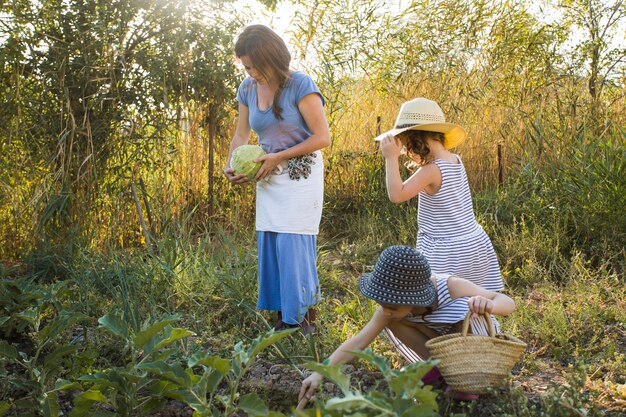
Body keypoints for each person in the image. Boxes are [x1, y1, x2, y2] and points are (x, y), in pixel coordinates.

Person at [298, 245, 516, 404]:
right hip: (439, 345)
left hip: (473, 344)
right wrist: (320, 373)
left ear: (413, 298)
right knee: (393, 322)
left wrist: (487, 304)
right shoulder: (388, 310)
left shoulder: (451, 287)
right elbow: (358, 342)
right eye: (382, 303)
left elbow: (508, 303)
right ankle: (442, 370)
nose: (386, 309)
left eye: (392, 305)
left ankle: (468, 376)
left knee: (466, 311)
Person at [374, 98, 505, 361]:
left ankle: (441, 360)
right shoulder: (455, 160)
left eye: (406, 142)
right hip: (474, 243)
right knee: (474, 305)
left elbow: (396, 195)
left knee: (432, 309)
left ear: (415, 139)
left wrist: (390, 158)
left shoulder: (431, 170)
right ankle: (482, 352)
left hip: (445, 250)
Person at [223, 24, 330, 334]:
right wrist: (233, 165)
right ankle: (284, 316)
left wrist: (279, 157)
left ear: (270, 57)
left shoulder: (300, 84)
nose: (250, 72)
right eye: (245, 66)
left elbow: (323, 138)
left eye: (253, 65)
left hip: (301, 173)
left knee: (293, 242)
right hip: (267, 173)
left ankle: (306, 319)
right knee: (271, 240)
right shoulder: (246, 89)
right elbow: (242, 133)